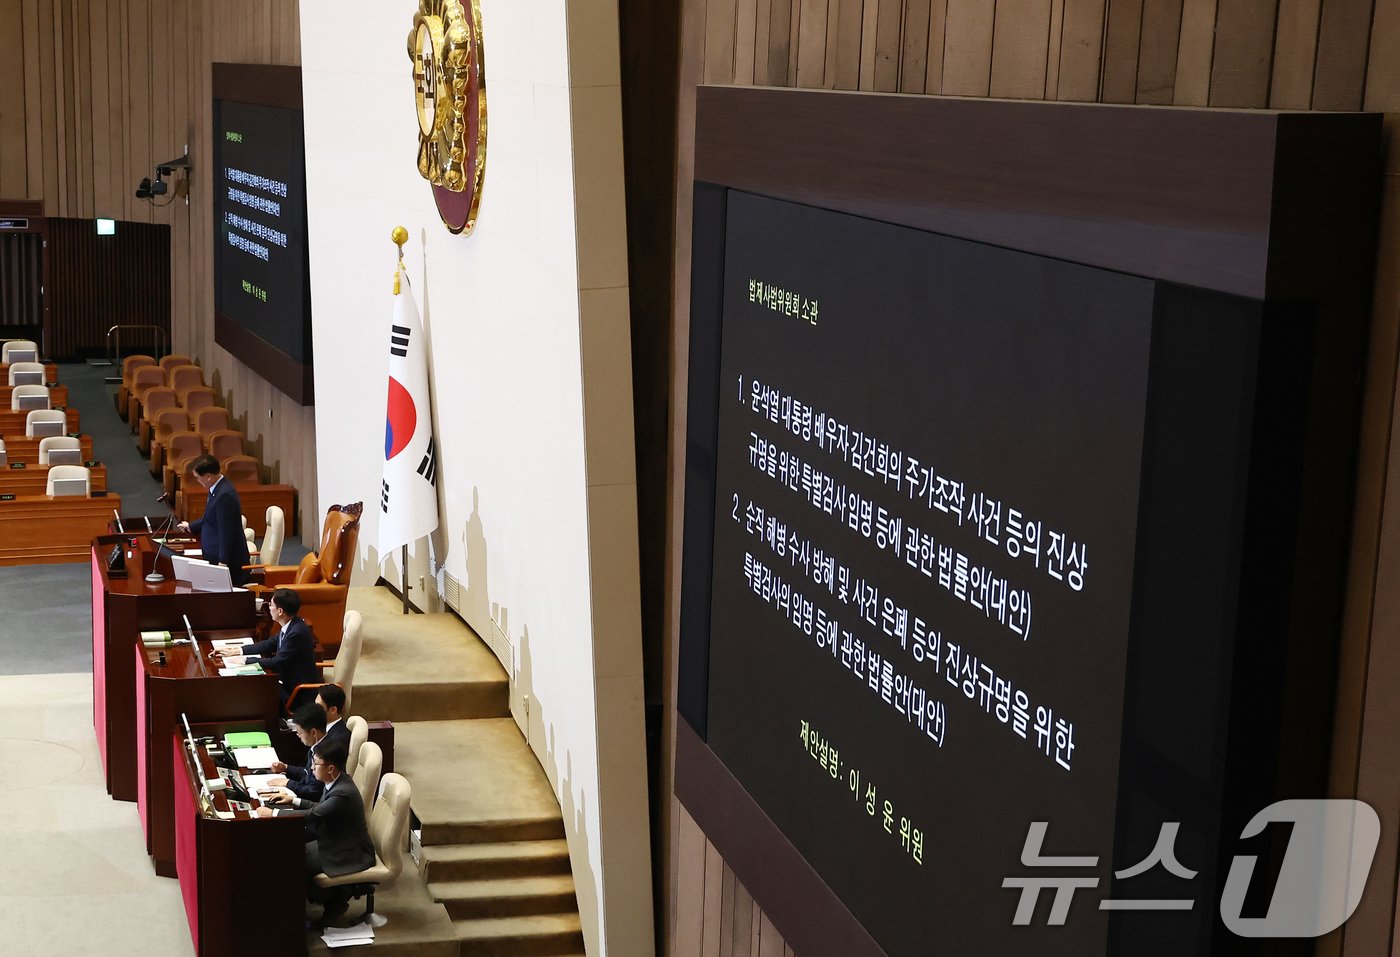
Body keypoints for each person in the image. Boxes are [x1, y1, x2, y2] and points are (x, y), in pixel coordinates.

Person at [254, 740, 375, 926]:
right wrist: (293, 801)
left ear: (331, 768)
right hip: (334, 838)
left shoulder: (343, 792)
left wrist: (274, 813)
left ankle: (333, 899)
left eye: (315, 764)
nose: (311, 769)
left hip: (349, 850)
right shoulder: (336, 781)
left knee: (294, 860)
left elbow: (314, 815)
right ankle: (331, 898)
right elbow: (320, 807)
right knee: (292, 851)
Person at [215, 588, 320, 709]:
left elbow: (276, 662)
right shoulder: (292, 624)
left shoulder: (296, 632)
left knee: (252, 692)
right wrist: (237, 651)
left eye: (271, 604)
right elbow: (268, 644)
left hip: (296, 693)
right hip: (285, 682)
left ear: (280, 611)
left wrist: (245, 661)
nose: (269, 607)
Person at [176, 454, 248, 585]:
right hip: (214, 557)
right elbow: (210, 517)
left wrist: (223, 562)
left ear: (208, 476)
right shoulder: (217, 489)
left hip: (227, 564)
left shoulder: (225, 495)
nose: (197, 481)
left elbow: (227, 532)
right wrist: (191, 526)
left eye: (198, 478)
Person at [265, 702, 332, 802]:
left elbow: (313, 792)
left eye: (300, 732)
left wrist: (288, 783)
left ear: (313, 732)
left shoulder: (325, 754)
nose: (298, 735)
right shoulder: (317, 746)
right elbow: (307, 772)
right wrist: (286, 768)